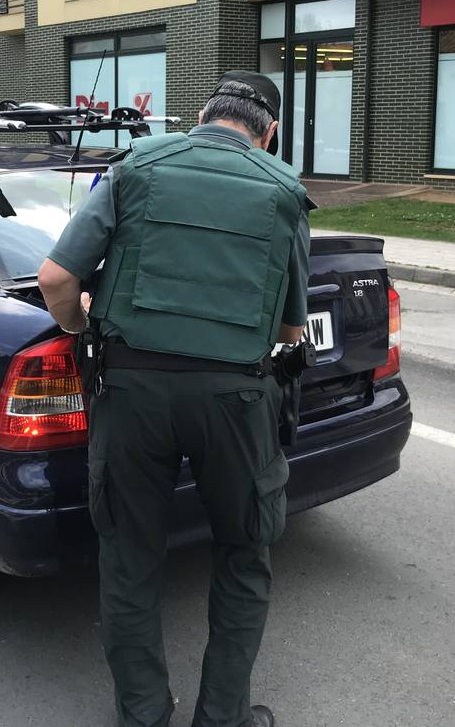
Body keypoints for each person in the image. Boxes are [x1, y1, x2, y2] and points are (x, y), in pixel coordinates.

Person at [38, 72, 312, 727]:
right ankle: (222, 719)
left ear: (200, 116)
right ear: (267, 134)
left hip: (130, 395)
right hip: (236, 405)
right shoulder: (283, 193)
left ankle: (144, 714)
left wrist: (80, 325)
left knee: (129, 557)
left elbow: (55, 277)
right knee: (244, 556)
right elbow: (289, 331)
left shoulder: (134, 166)